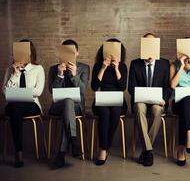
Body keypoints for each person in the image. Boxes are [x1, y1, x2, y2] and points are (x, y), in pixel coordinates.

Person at [128, 33, 172, 166]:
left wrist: (164, 99)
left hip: (158, 101)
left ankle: (146, 151)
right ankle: (149, 151)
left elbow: (168, 87)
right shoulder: (135, 64)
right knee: (140, 108)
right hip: (140, 100)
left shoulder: (164, 64)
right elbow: (131, 87)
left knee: (157, 110)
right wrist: (140, 96)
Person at [2, 39, 45, 168]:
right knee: (15, 108)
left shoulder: (38, 69)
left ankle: (18, 153)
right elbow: (4, 92)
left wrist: (18, 94)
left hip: (31, 105)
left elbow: (38, 91)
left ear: (31, 53)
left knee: (16, 107)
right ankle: (19, 151)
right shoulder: (10, 69)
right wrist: (14, 75)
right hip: (14, 106)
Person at [48, 39, 90, 169]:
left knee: (69, 103)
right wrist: (60, 75)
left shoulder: (84, 68)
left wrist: (74, 75)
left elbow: (83, 91)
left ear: (77, 52)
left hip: (76, 107)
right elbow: (52, 91)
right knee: (67, 102)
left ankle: (61, 155)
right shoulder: (54, 69)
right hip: (57, 106)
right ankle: (74, 140)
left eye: (71, 51)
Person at [91, 38, 128, 165]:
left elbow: (123, 87)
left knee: (116, 112)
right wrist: (103, 68)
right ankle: (103, 149)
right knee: (104, 114)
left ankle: (105, 147)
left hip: (117, 99)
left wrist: (117, 69)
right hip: (102, 99)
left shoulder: (123, 66)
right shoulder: (97, 66)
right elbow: (94, 87)